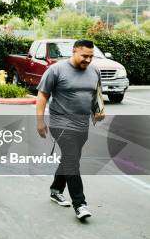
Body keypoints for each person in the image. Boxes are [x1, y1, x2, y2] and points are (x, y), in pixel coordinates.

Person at [36, 39, 105, 221]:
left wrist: (99, 110)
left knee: (69, 159)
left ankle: (56, 189)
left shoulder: (94, 70)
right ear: (74, 51)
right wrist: (40, 121)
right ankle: (80, 204)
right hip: (61, 123)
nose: (88, 60)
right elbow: (42, 96)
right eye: (84, 56)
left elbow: (96, 93)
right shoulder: (56, 70)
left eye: (91, 56)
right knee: (72, 161)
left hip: (82, 124)